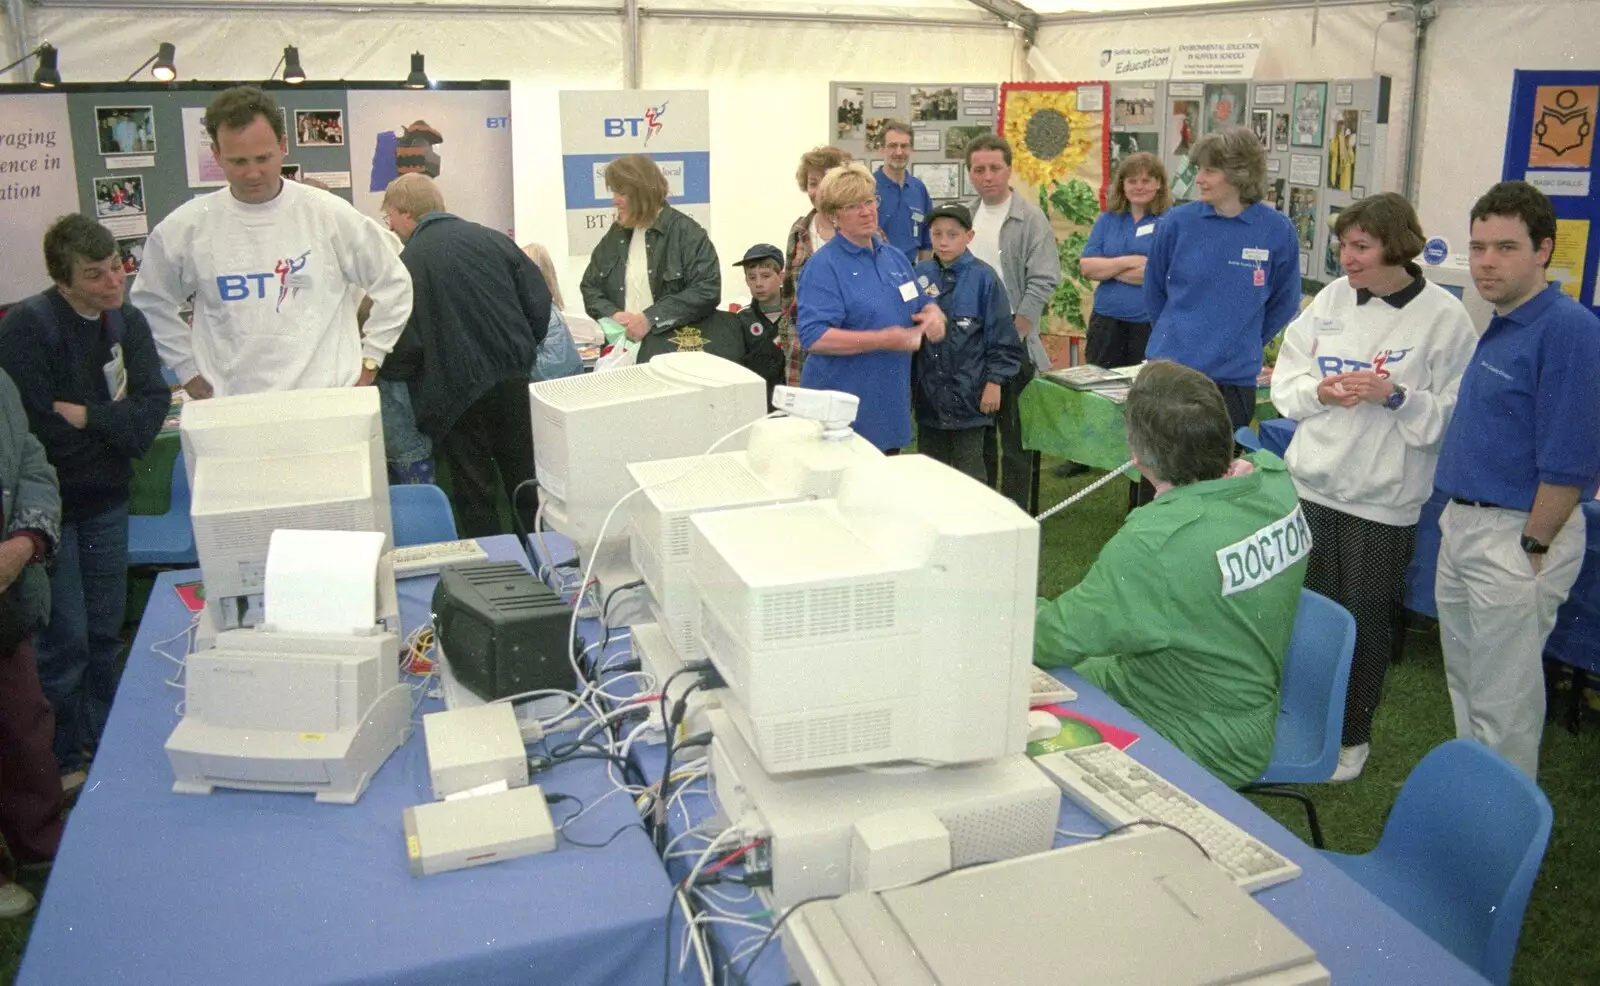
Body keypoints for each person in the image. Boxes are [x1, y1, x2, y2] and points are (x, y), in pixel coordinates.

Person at [1271, 193, 1476, 782]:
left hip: (1382, 503)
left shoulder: (1443, 317)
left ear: (1397, 247)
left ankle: (1350, 742)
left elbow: (1453, 418)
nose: (1346, 258)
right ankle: (1303, 720)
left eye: (1360, 247)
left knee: (1362, 620)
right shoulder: (1333, 298)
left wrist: (1398, 397)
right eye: (1343, 245)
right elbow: (1287, 381)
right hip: (1312, 488)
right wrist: (1322, 393)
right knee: (1306, 613)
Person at [1034, 360, 1309, 788]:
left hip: (1197, 730)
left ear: (1136, 451)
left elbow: (1053, 637)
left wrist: (1000, 610)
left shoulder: (1153, 545)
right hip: (1233, 695)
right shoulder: (1274, 480)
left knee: (1028, 711)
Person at [1432, 181, 1600, 780]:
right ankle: (1471, 809)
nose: (1486, 262)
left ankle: (1499, 847)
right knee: (1466, 683)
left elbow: (1571, 463)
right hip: (1465, 524)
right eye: (1478, 247)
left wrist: (1531, 550)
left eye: (1505, 247)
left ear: (1543, 251)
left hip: (1518, 535)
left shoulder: (1568, 329)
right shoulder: (1504, 322)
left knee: (1504, 703)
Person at [0, 215, 169, 786]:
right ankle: (65, 758)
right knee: (63, 640)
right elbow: (38, 432)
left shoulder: (128, 320)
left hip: (108, 501)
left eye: (117, 267)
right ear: (63, 280)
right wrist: (109, 431)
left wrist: (93, 417)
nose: (113, 282)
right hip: (52, 516)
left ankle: (105, 742)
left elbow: (149, 413)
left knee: (104, 631)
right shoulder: (27, 327)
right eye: (95, 275)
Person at [130, 85, 412, 399]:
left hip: (327, 403)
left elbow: (395, 283)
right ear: (216, 155)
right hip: (231, 405)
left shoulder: (329, 214)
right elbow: (150, 299)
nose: (253, 173)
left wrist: (372, 357)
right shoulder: (187, 227)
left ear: (282, 146)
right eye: (238, 161)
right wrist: (186, 368)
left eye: (263, 158)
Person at [381, 175, 549, 538]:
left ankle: (491, 576)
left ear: (405, 212)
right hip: (512, 382)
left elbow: (404, 345)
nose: (390, 226)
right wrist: (521, 353)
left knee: (475, 495)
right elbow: (538, 301)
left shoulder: (407, 263)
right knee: (525, 481)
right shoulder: (493, 240)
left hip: (453, 395)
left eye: (389, 217)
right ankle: (544, 563)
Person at [1144, 125, 1300, 430]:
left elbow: (1285, 301)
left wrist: (1241, 340)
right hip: (1170, 371)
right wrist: (1178, 337)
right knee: (1162, 473)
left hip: (1233, 380)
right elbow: (1154, 293)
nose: (1199, 179)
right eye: (1199, 169)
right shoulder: (1177, 223)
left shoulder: (1277, 230)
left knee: (1220, 473)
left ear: (1240, 173)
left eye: (1210, 171)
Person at [797, 162, 945, 452]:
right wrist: (883, 340)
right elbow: (814, 337)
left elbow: (920, 300)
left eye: (869, 201)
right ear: (832, 216)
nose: (866, 212)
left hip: (887, 409)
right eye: (852, 206)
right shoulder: (823, 267)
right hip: (842, 418)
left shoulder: (894, 258)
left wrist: (933, 313)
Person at [963, 133, 1062, 511]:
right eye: (978, 169)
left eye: (995, 168)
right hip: (971, 344)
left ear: (1009, 170)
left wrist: (1018, 328)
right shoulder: (965, 216)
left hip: (1014, 343)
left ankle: (1019, 514)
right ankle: (989, 512)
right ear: (970, 173)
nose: (987, 176)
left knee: (1017, 437)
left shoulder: (1029, 218)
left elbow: (1044, 277)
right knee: (980, 434)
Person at [0, 368, 66, 918]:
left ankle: (42, 845)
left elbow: (29, 459)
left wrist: (26, 538)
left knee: (24, 722)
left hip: (6, 598)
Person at [911, 204, 1021, 482]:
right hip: (929, 398)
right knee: (930, 474)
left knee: (969, 473)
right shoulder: (918, 275)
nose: (943, 242)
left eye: (952, 234)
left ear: (969, 237)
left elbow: (1002, 338)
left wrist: (994, 383)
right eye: (937, 235)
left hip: (970, 399)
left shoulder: (985, 279)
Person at [580, 154, 720, 351]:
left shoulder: (687, 233)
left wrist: (651, 318)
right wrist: (614, 314)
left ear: (641, 192)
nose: (615, 201)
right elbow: (590, 286)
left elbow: (707, 290)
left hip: (671, 352)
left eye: (621, 193)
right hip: (623, 351)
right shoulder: (616, 234)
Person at [1081, 152, 1171, 369]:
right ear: (1122, 185)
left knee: (1144, 391)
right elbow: (1087, 267)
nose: (1139, 187)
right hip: (1105, 322)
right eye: (1132, 181)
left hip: (1149, 324)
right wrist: (1131, 260)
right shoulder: (1107, 220)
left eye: (1146, 181)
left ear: (1158, 183)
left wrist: (1109, 268)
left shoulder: (1169, 222)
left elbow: (1159, 274)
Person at [783, 146, 852, 386]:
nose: (819, 191)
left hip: (851, 356)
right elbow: (789, 300)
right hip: (803, 357)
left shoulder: (866, 234)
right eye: (813, 183)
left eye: (827, 181)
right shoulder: (799, 231)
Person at [730, 244, 792, 402]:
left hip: (795, 401)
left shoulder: (797, 316)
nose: (758, 284)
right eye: (752, 277)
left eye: (765, 276)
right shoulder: (741, 320)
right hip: (758, 404)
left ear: (781, 277)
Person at [874, 123, 933, 266]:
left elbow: (927, 239)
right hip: (876, 269)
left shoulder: (918, 188)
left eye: (904, 146)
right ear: (882, 149)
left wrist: (922, 273)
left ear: (911, 149)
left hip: (911, 271)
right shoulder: (868, 187)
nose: (899, 152)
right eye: (893, 146)